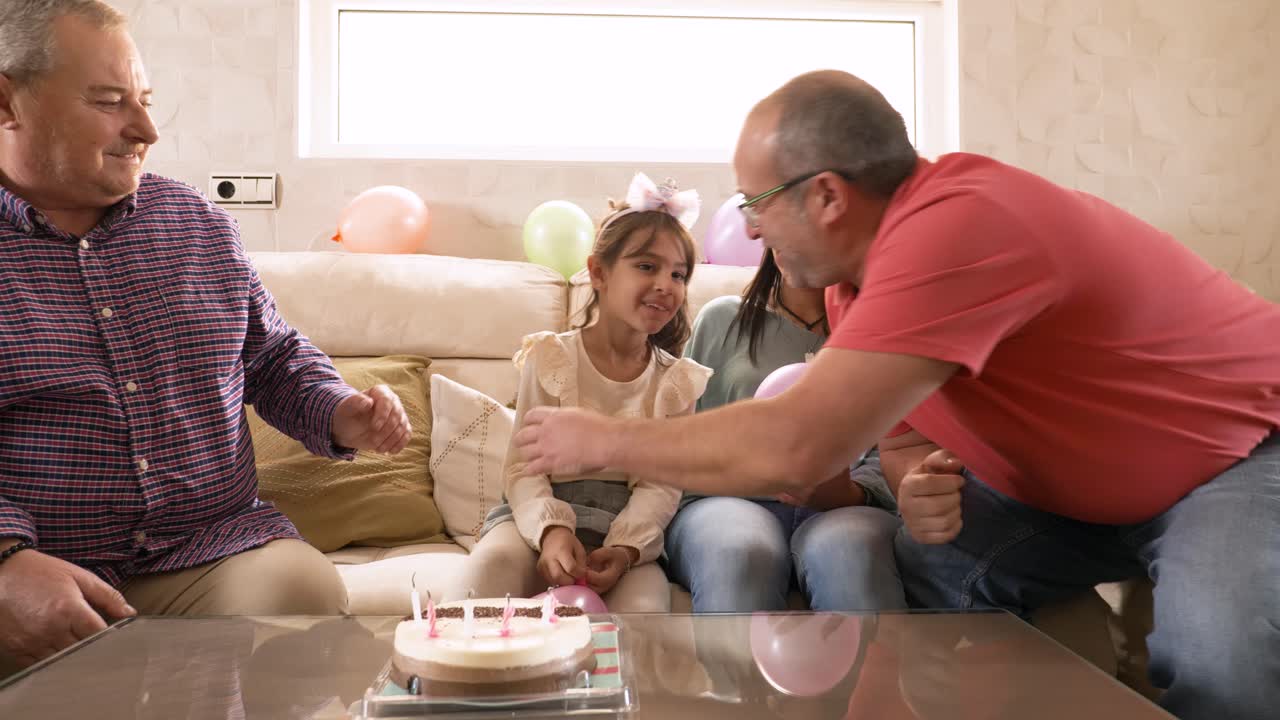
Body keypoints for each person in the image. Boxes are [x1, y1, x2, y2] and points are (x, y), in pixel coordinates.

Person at [513, 70, 1280, 720]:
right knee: (918, 569)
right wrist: (916, 488)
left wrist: (602, 437)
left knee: (1219, 663)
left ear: (827, 196)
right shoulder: (854, 283)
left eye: (755, 203)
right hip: (1075, 502)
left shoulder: (957, 225)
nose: (745, 231)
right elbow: (910, 440)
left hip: (1232, 453)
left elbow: (795, 446)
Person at [0, 0, 412, 673]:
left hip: (204, 554)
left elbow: (274, 356)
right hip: (36, 564)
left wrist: (339, 410)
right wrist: (7, 563)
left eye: (146, 100)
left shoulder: (195, 222)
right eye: (109, 102)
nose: (146, 130)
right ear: (7, 102)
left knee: (302, 590)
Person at [460, 172, 710, 613]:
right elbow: (523, 468)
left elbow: (661, 485)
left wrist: (625, 549)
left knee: (645, 615)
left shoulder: (677, 382)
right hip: (538, 516)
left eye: (679, 274)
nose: (665, 285)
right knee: (486, 577)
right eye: (647, 267)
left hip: (625, 526)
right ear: (598, 272)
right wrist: (553, 531)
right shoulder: (551, 358)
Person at [665, 249, 903, 612]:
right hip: (726, 503)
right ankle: (734, 669)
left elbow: (898, 447)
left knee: (850, 555)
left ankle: (882, 670)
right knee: (738, 553)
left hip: (845, 509)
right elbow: (684, 440)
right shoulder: (722, 318)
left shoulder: (882, 335)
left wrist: (848, 492)